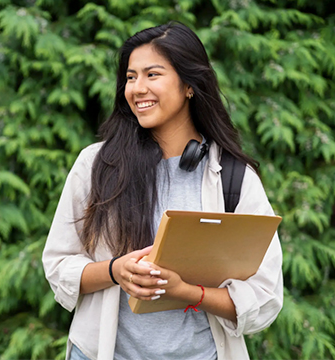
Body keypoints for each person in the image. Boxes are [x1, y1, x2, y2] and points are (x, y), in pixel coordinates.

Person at [42, 22, 283, 360]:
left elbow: (264, 295)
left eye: (152, 75)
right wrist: (115, 270)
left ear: (189, 86)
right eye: (130, 77)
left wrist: (185, 291)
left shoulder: (233, 177)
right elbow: (58, 264)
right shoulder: (96, 165)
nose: (137, 88)